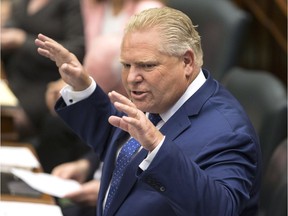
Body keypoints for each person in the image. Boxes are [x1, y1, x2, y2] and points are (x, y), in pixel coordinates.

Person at [35, 6, 262, 216]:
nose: (132, 78)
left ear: (187, 62)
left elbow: (221, 209)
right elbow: (119, 143)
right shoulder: (163, 97)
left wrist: (157, 145)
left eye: (147, 65)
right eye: (126, 65)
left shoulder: (228, 132)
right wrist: (83, 87)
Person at [39, 0, 165, 173]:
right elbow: (87, 55)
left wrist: (80, 83)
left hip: (127, 103)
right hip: (98, 92)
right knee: (53, 117)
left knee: (58, 125)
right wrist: (71, 80)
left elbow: (110, 64)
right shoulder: (92, 6)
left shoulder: (148, 10)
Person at [1, 0, 85, 141]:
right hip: (13, 83)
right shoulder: (23, 3)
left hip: (45, 86)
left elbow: (76, 51)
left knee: (5, 124)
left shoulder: (70, 4)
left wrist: (22, 41)